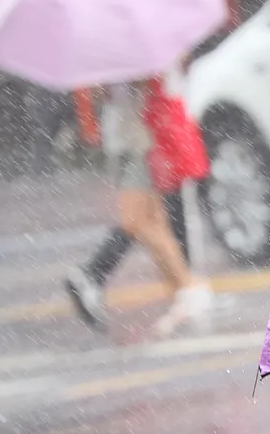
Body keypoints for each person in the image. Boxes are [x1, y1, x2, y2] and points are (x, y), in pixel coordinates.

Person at [65, 78, 213, 336]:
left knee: (137, 222)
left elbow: (150, 82)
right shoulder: (114, 63)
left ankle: (190, 287)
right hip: (125, 139)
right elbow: (103, 95)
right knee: (155, 221)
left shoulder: (135, 61)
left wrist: (120, 79)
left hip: (139, 141)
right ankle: (184, 294)